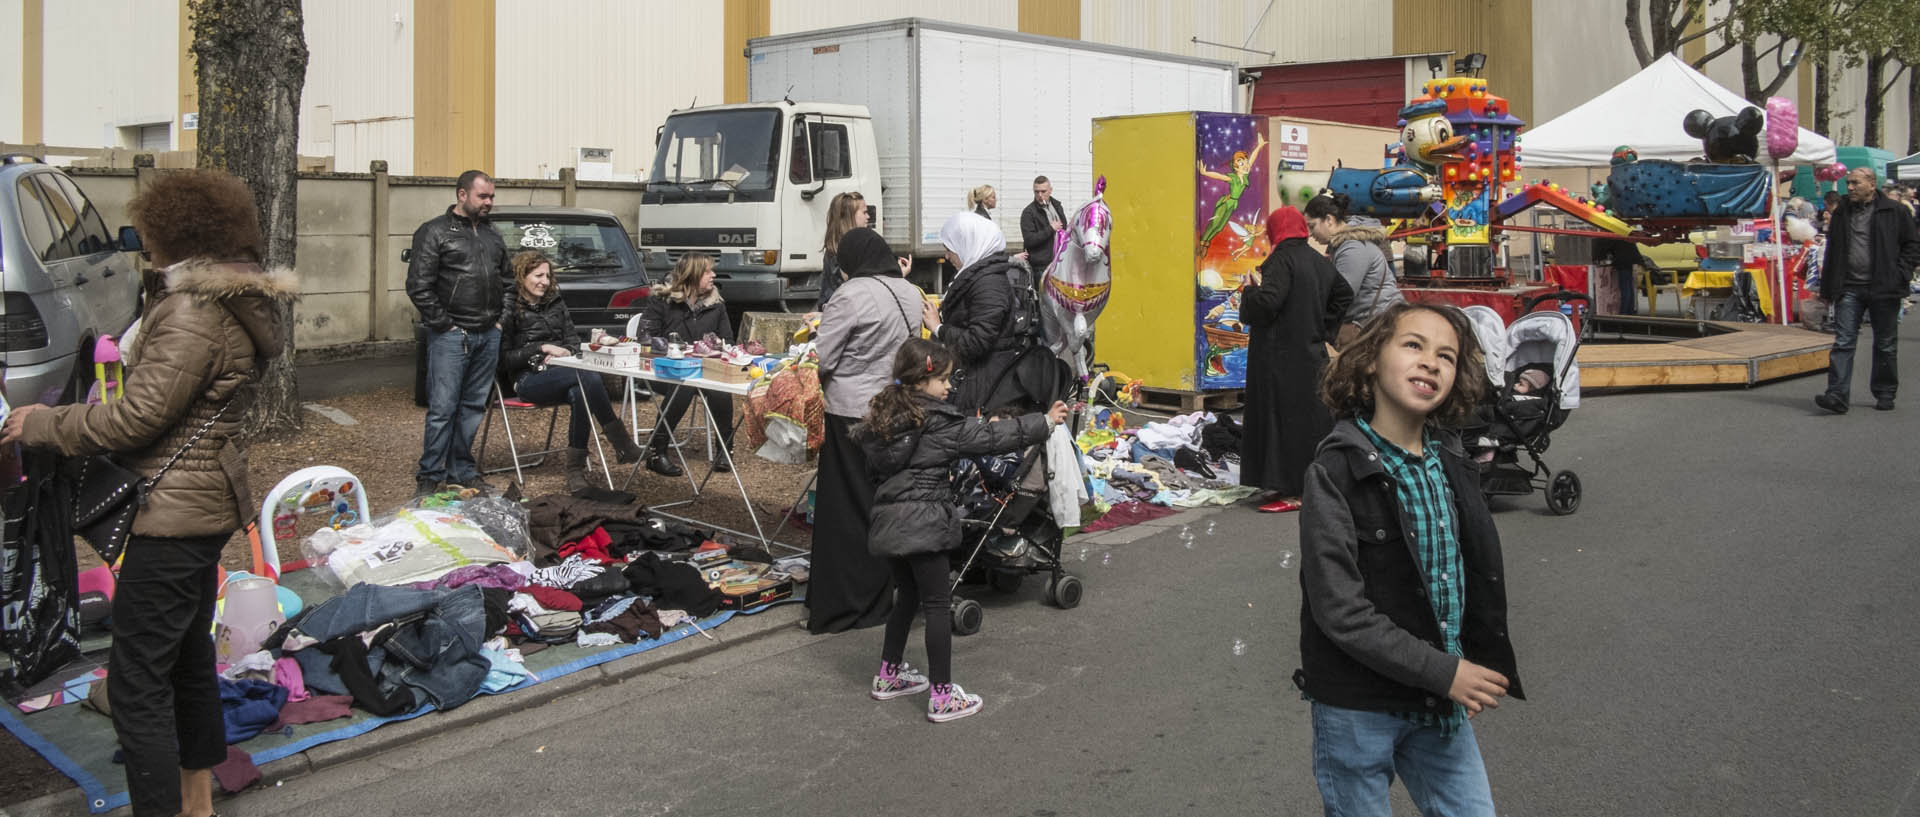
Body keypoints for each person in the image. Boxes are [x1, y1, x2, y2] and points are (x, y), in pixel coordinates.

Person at [1, 169, 297, 817]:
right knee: (189, 661)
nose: (143, 247)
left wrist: (41, 422)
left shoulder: (194, 311)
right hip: (201, 504)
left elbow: (136, 418)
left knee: (135, 686)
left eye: (150, 236)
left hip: (171, 515)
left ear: (176, 236)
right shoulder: (227, 304)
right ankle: (197, 803)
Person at [1297, 300, 1521, 816]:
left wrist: (1465, 661)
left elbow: (1465, 578)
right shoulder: (1336, 471)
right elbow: (1340, 610)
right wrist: (1444, 671)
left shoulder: (1452, 464)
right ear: (1372, 359)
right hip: (1358, 706)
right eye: (1413, 345)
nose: (1431, 362)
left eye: (1447, 355)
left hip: (1435, 703)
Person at [856, 338, 1068, 723]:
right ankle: (941, 696)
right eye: (945, 380)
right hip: (926, 523)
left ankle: (888, 675)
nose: (950, 387)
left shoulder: (884, 418)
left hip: (890, 524)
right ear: (927, 378)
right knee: (937, 605)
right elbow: (991, 437)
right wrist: (1044, 422)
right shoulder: (937, 423)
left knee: (906, 598)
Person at [806, 228, 923, 634]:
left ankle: (846, 601)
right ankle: (883, 590)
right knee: (880, 503)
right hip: (893, 409)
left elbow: (824, 358)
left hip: (849, 412)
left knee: (846, 511)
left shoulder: (851, 294)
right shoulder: (908, 291)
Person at [498, 250, 646, 493]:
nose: (544, 281)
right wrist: (541, 347)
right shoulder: (509, 308)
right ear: (521, 276)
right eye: (538, 275)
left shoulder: (555, 302)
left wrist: (564, 351)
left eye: (547, 276)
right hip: (527, 379)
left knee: (581, 391)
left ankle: (575, 470)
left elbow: (573, 342)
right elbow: (503, 360)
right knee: (587, 376)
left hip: (561, 371)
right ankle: (622, 444)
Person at [1240, 206, 1352, 514]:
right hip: (1311, 354)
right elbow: (1345, 293)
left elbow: (1269, 302)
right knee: (1308, 423)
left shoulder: (1280, 260)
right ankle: (1305, 485)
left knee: (1281, 421)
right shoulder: (1319, 261)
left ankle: (1294, 491)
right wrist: (1324, 327)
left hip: (1280, 357)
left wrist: (1250, 291)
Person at [407, 169, 511, 497]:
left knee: (473, 407)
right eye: (483, 196)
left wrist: (499, 321)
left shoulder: (494, 236)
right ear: (462, 195)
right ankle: (430, 476)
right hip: (452, 335)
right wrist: (445, 324)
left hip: (488, 333)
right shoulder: (434, 232)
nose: (489, 202)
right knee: (443, 407)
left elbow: (508, 282)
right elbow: (418, 286)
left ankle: (462, 471)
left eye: (492, 197)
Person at [1815, 167, 1920, 413]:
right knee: (1843, 342)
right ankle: (1837, 395)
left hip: (1884, 287)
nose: (1849, 188)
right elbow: (1833, 251)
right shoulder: (1842, 212)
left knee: (1885, 343)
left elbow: (1912, 245)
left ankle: (1885, 392)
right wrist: (1828, 287)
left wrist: (1900, 274)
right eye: (1848, 183)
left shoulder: (1894, 211)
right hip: (1849, 287)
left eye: (1855, 183)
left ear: (1872, 185)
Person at [920, 213, 1026, 412]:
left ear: (968, 244)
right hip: (976, 379)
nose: (946, 256)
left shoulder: (988, 283)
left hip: (982, 385)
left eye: (950, 249)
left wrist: (938, 328)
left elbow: (977, 341)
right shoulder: (980, 276)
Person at [640, 253, 735, 473]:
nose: (713, 275)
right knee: (684, 384)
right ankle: (657, 452)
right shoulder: (662, 300)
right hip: (663, 369)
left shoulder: (716, 304)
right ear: (692, 275)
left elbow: (728, 340)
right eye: (707, 271)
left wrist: (714, 346)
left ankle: (725, 451)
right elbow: (644, 336)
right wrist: (670, 346)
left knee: (721, 386)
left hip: (702, 368)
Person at [1307, 193, 1402, 342]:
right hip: (1377, 323)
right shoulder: (1345, 246)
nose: (1310, 234)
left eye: (1312, 226)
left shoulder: (1352, 248)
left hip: (1377, 327)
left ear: (1329, 220)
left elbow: (1342, 295)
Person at [815, 191, 868, 309]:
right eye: (864, 212)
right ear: (849, 216)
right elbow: (855, 287)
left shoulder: (834, 249)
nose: (868, 217)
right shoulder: (841, 253)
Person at [1592, 236, 1652, 316]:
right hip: (1631, 259)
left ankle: (1624, 312)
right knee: (1629, 287)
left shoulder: (1605, 239)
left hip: (1623, 261)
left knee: (1625, 288)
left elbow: (1602, 251)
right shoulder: (1619, 234)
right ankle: (1630, 310)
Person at [1020, 175, 1069, 272]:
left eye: (1043, 191)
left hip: (1061, 261)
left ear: (1050, 190)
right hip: (1042, 266)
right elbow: (1029, 240)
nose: (1040, 195)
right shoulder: (1028, 212)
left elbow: (1065, 229)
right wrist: (1050, 229)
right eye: (1036, 192)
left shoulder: (1057, 206)